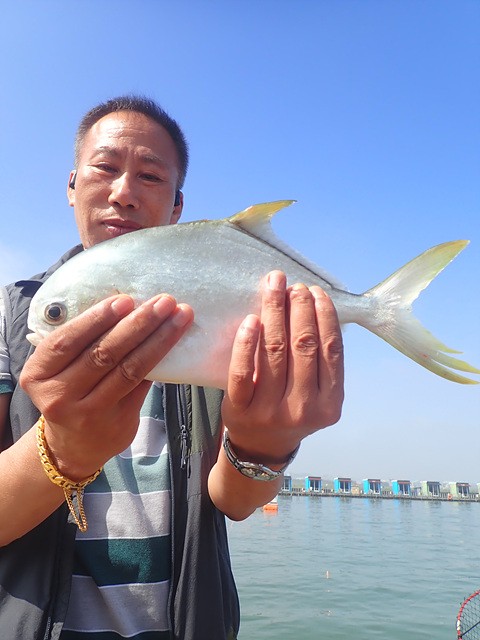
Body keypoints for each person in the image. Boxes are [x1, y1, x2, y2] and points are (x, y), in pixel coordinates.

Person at [0, 96, 344, 639]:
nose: (123, 192)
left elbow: (233, 503)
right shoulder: (12, 313)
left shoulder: (209, 317)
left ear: (178, 205)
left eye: (151, 176)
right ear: (71, 184)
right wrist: (62, 450)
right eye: (105, 167)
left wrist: (265, 446)